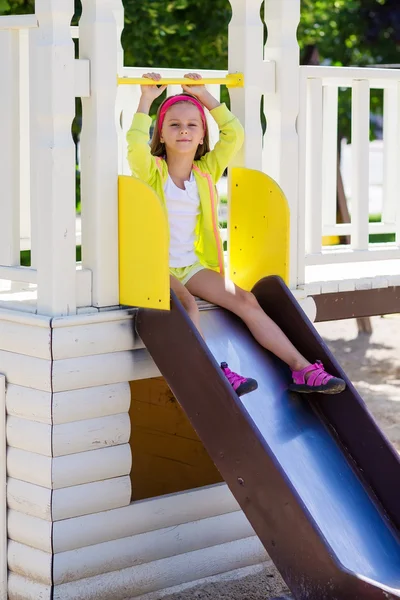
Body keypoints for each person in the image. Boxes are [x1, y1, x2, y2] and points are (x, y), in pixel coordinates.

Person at [127, 72, 346, 398]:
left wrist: (204, 96)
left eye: (193, 124)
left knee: (246, 299)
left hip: (190, 266)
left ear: (203, 136)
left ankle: (300, 369)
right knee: (189, 307)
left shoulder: (205, 172)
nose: (184, 130)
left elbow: (234, 133)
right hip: (156, 268)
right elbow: (133, 145)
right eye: (173, 124)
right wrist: (146, 100)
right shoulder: (152, 172)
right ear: (161, 132)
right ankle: (216, 371)